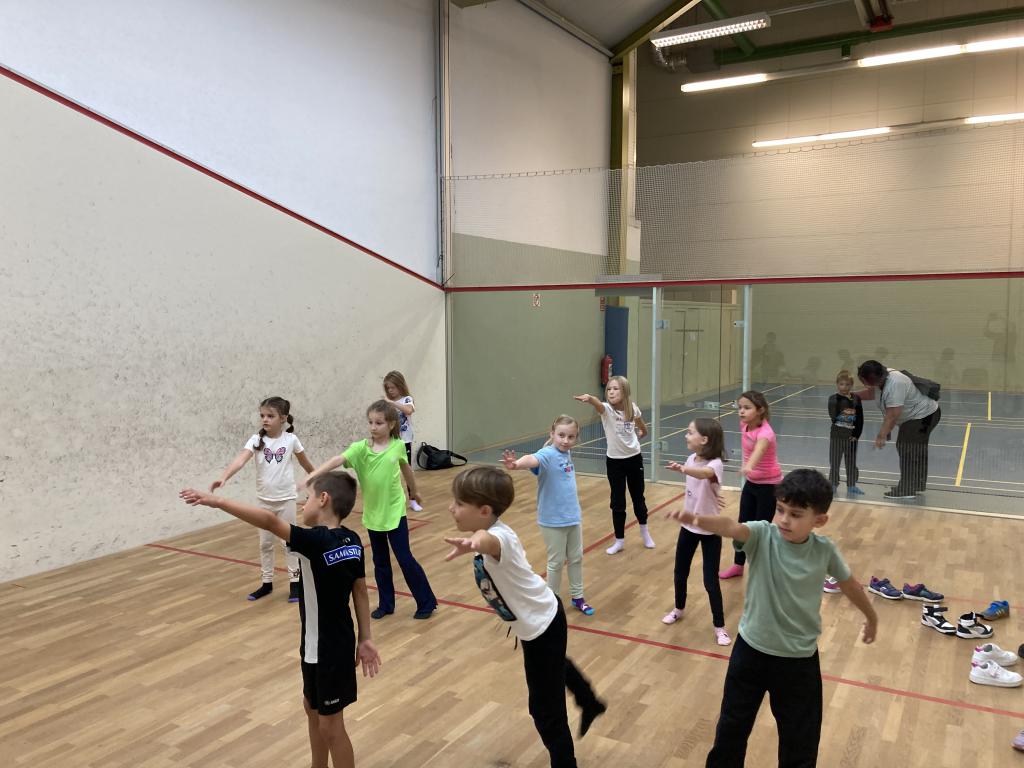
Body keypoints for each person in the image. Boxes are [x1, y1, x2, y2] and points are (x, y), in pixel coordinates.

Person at [669, 469, 878, 768]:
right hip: (750, 653)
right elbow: (731, 526)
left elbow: (849, 584)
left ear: (819, 520)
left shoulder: (825, 551)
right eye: (780, 509)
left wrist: (872, 617)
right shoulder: (761, 535)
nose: (784, 519)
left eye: (795, 514)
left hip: (798, 662)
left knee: (800, 743)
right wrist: (698, 519)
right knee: (731, 731)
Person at [180, 473, 381, 768]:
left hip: (330, 651)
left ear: (323, 500)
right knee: (312, 708)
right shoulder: (352, 540)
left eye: (307, 497)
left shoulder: (314, 541)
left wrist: (218, 501)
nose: (303, 504)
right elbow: (360, 590)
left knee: (331, 726)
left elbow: (270, 521)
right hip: (319, 647)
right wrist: (365, 638)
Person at [444, 466, 606, 768]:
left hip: (542, 625)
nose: (451, 507)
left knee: (545, 710)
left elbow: (487, 540)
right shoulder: (495, 532)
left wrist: (474, 542)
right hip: (540, 620)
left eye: (459, 503)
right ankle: (590, 701)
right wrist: (475, 543)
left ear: (484, 511)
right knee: (554, 665)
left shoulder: (498, 538)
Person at [307, 400, 437, 620]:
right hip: (373, 514)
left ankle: (426, 602)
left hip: (395, 512)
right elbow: (337, 459)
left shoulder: (397, 446)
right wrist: (313, 475)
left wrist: (414, 491)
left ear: (391, 424)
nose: (373, 427)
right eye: (370, 422)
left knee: (404, 558)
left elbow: (406, 469)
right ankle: (386, 604)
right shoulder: (361, 449)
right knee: (380, 561)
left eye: (379, 423)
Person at [211, 396, 315, 601]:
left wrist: (319, 483)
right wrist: (224, 477)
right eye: (262, 416)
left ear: (283, 418)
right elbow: (240, 461)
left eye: (270, 416)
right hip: (264, 502)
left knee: (289, 543)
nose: (265, 419)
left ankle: (295, 583)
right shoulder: (255, 440)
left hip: (286, 500)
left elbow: (307, 465)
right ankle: (266, 583)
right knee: (265, 544)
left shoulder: (291, 440)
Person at [502, 415, 595, 615]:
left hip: (572, 517)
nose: (565, 440)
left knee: (576, 558)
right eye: (561, 435)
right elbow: (532, 459)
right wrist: (516, 464)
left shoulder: (566, 453)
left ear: (576, 438)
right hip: (553, 521)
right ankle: (552, 601)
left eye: (571, 437)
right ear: (552, 434)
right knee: (556, 562)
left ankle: (578, 597)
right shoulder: (547, 454)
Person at [663, 419, 731, 646]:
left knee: (710, 580)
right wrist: (713, 494)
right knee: (680, 572)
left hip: (710, 529)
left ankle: (719, 627)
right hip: (688, 527)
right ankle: (678, 609)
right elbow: (698, 487)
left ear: (704, 439)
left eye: (690, 432)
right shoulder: (691, 458)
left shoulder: (716, 463)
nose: (686, 435)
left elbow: (705, 475)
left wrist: (683, 469)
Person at [573, 375, 653, 555]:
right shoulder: (607, 410)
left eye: (615, 388)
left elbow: (641, 424)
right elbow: (598, 404)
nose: (611, 392)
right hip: (615, 462)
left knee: (638, 497)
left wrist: (643, 431)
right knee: (617, 501)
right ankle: (619, 540)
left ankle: (645, 532)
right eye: (609, 389)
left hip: (634, 459)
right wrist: (590, 398)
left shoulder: (632, 408)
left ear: (625, 391)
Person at [854, 360, 941, 500]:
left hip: (923, 416)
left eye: (862, 380)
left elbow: (893, 415)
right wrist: (853, 396)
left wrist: (881, 435)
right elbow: (872, 393)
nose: (862, 383)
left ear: (870, 379)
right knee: (916, 449)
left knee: (906, 447)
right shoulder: (881, 377)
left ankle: (907, 489)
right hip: (919, 416)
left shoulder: (895, 384)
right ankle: (916, 484)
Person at [719, 391, 783, 580]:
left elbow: (759, 450)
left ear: (760, 410)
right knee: (742, 526)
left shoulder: (766, 433)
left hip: (769, 487)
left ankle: (761, 569)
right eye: (740, 407)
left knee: (760, 530)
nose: (741, 411)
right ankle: (738, 565)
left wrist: (749, 466)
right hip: (752, 484)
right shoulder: (745, 425)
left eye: (747, 408)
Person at [383, 370, 422, 512]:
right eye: (388, 388)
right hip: (390, 441)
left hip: (404, 441)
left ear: (400, 385)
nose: (390, 390)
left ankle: (413, 500)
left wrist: (392, 403)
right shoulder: (388, 403)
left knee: (407, 470)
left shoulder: (407, 399)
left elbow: (408, 411)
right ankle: (390, 500)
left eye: (393, 387)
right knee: (389, 471)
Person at [827, 371, 864, 496]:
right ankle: (833, 484)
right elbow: (835, 417)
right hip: (837, 436)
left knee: (851, 462)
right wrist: (848, 407)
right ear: (837, 384)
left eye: (847, 384)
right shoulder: (833, 399)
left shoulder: (856, 399)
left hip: (851, 438)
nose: (844, 387)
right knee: (835, 461)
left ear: (851, 385)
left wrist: (856, 435)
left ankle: (851, 485)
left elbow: (860, 419)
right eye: (841, 384)